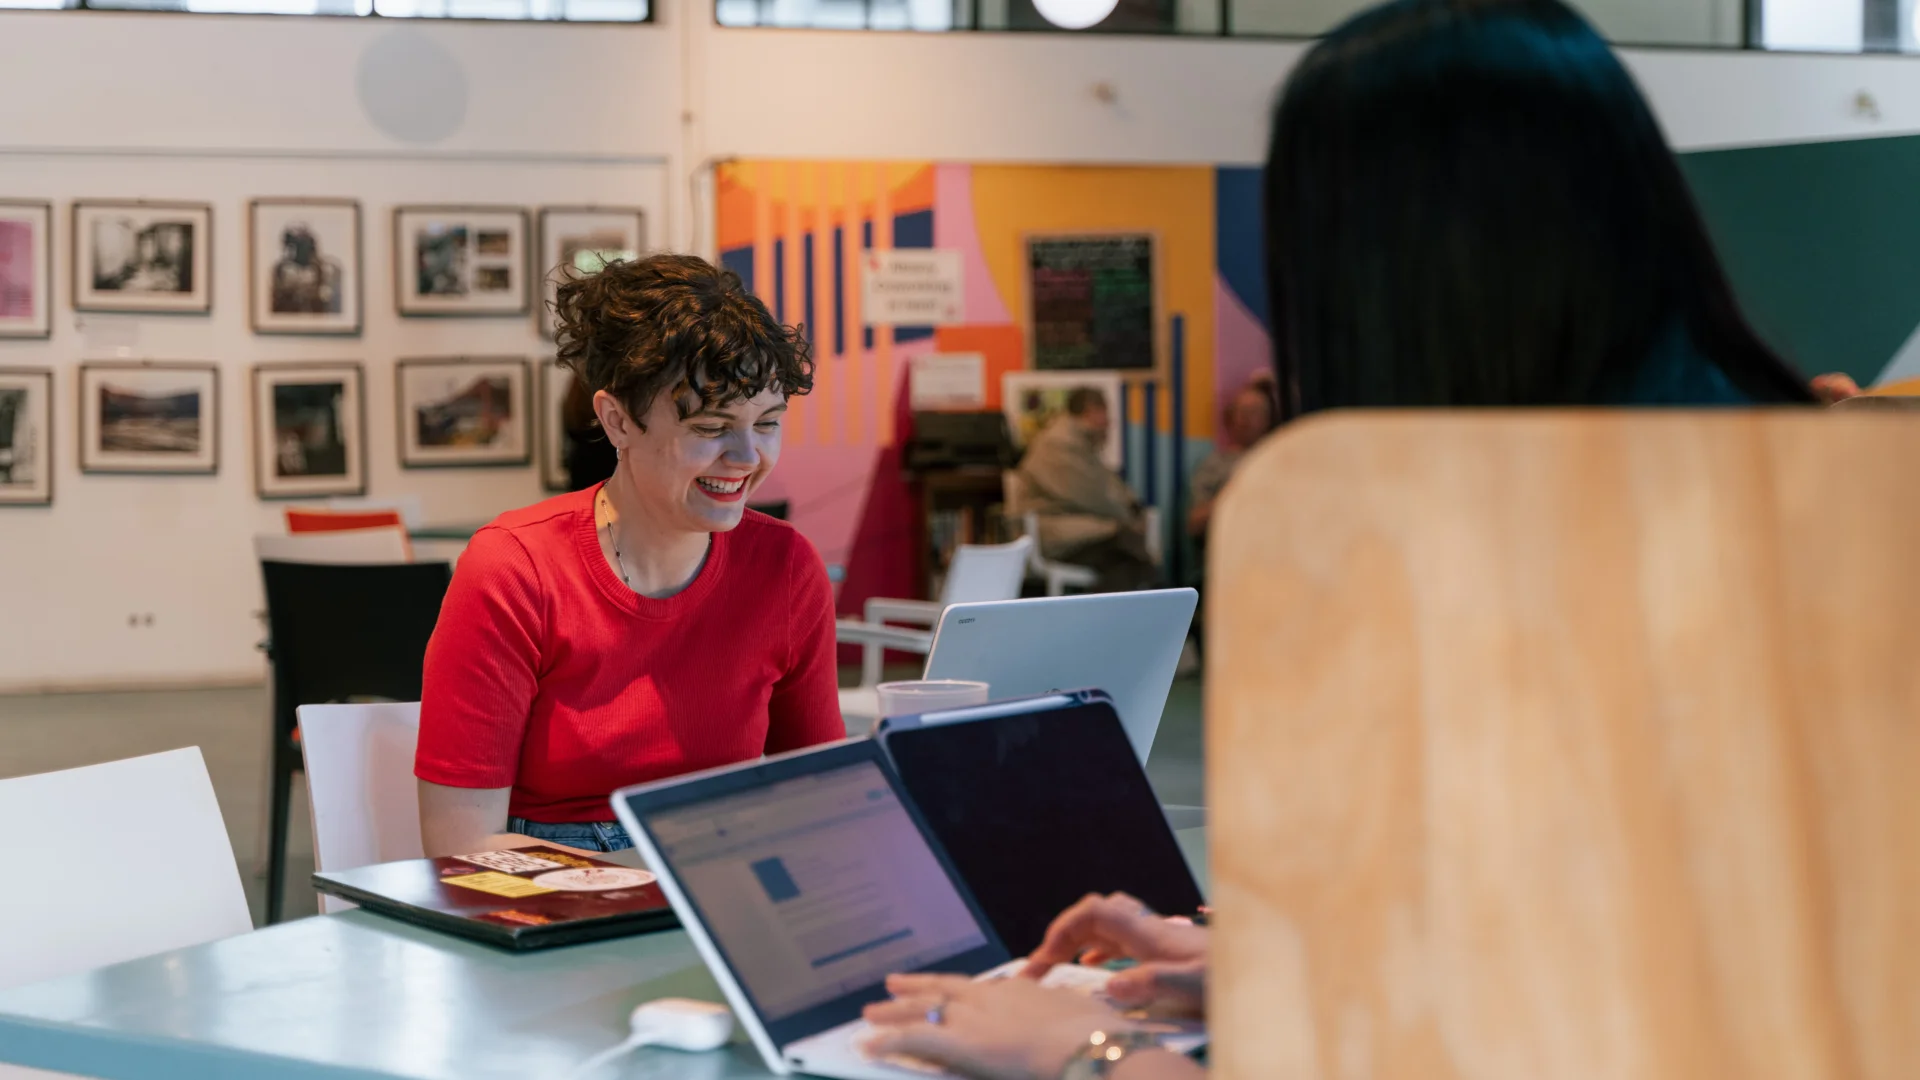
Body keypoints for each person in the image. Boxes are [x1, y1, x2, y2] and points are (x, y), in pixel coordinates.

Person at [864, 0, 1834, 1073]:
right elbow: (1568, 966)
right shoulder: (1795, 503)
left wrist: (1086, 1052)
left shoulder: (1533, 573)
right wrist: (1283, 976)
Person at [414, 254, 844, 857]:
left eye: (767, 423)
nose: (748, 457)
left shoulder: (787, 569)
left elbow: (824, 804)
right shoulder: (515, 569)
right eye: (711, 426)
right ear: (617, 420)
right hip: (552, 898)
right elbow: (461, 851)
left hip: (726, 875)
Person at [1015, 388, 1156, 592]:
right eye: (1105, 415)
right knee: (1127, 559)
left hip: (1076, 532)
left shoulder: (1076, 443)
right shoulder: (1059, 445)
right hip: (1060, 538)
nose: (1108, 423)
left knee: (1131, 556)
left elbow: (1107, 488)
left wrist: (1131, 510)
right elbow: (1096, 496)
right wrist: (1130, 517)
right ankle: (1108, 619)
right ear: (1091, 411)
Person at [1186, 378, 1279, 546]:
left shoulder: (1282, 462)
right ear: (1230, 418)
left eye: (1254, 412)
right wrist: (1233, 494)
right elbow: (1194, 524)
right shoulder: (1214, 464)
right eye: (1241, 412)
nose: (1245, 419)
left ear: (1268, 420)